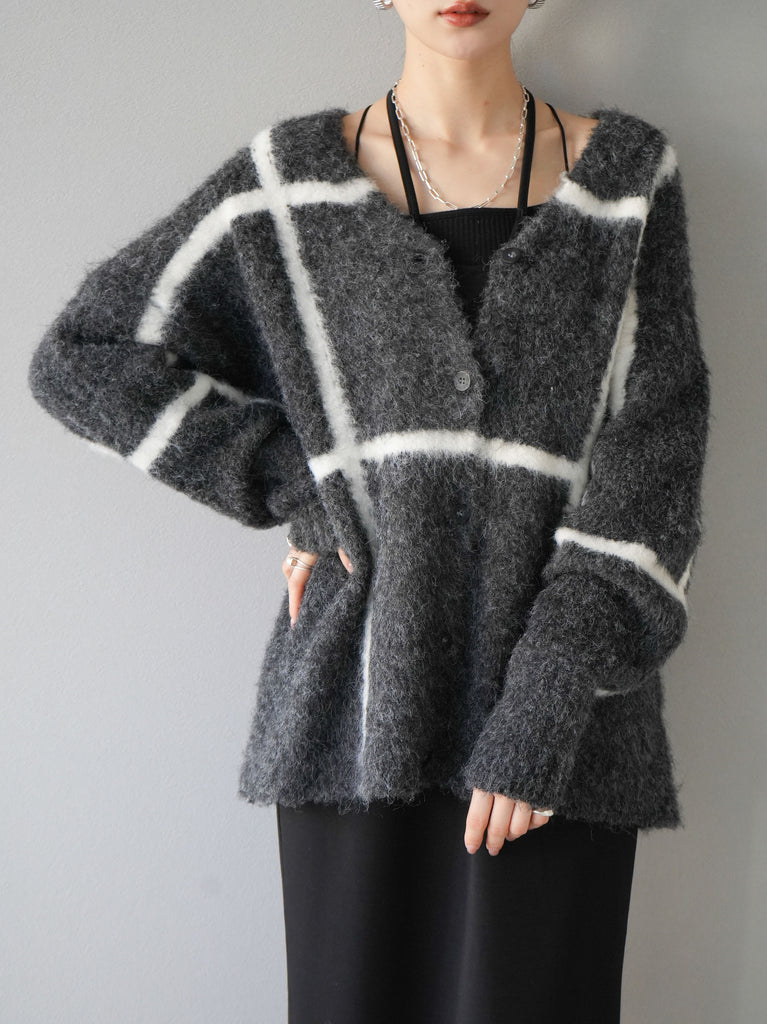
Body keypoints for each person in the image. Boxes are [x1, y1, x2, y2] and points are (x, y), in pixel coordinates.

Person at [27, 1, 711, 1021]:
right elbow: (83, 361)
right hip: (352, 721)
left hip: (562, 736)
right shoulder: (286, 185)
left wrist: (546, 701)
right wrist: (301, 484)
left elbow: (655, 462)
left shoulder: (627, 181)